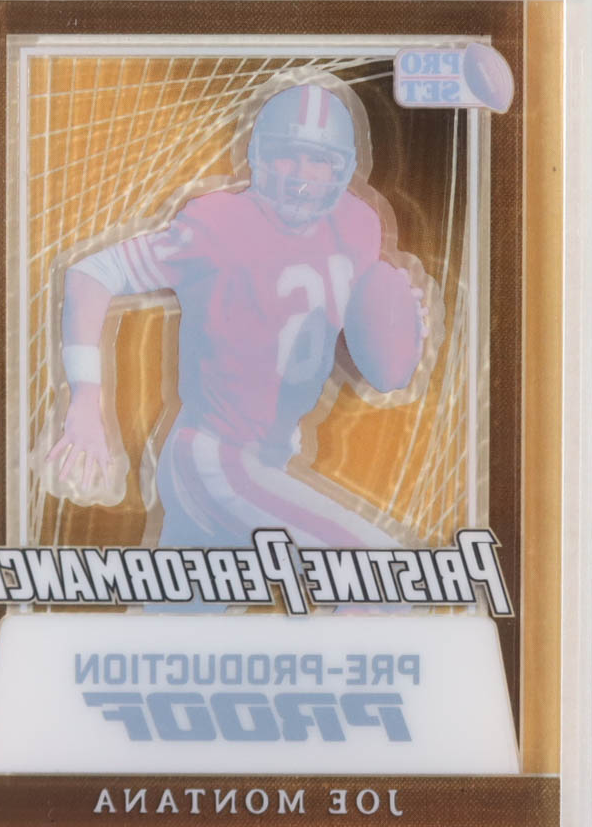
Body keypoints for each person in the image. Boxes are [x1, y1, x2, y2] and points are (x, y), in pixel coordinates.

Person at [46, 71, 435, 550]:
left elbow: (345, 336)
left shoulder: (358, 226)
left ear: (344, 169)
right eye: (286, 154)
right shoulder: (219, 225)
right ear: (257, 156)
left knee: (178, 600)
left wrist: (397, 322)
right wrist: (86, 399)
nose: (301, 176)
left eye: (319, 160)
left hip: (270, 462)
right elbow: (92, 273)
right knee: (381, 564)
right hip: (215, 461)